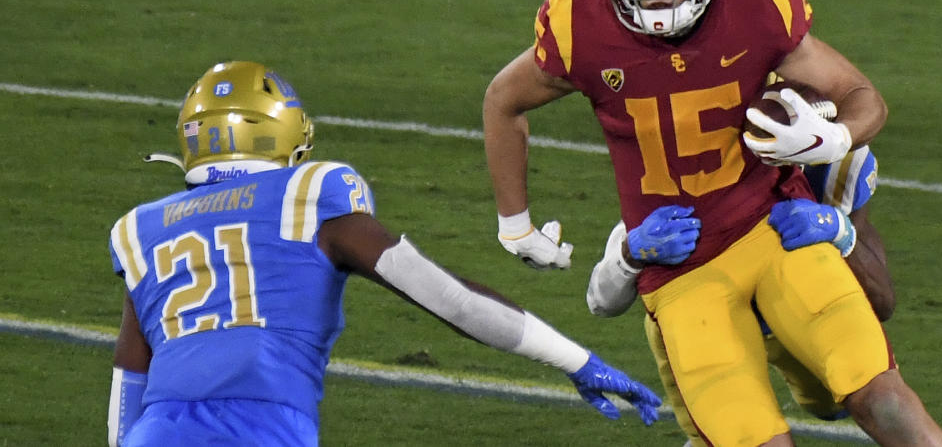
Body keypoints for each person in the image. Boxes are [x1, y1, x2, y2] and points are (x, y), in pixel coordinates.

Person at [482, 0, 942, 446]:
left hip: (776, 231)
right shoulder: (582, 28)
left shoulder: (753, 2)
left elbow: (861, 96)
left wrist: (834, 140)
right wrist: (514, 224)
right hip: (682, 275)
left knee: (880, 393)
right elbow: (503, 101)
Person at [106, 61, 662, 447]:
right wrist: (576, 360)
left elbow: (126, 400)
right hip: (262, 429)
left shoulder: (143, 229)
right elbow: (453, 301)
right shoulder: (308, 195)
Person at [587, 144, 894, 444]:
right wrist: (631, 253)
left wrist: (842, 233)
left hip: (792, 310)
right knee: (729, 433)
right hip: (704, 317)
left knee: (860, 392)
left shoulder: (838, 162)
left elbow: (882, 300)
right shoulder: (687, 177)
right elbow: (600, 303)